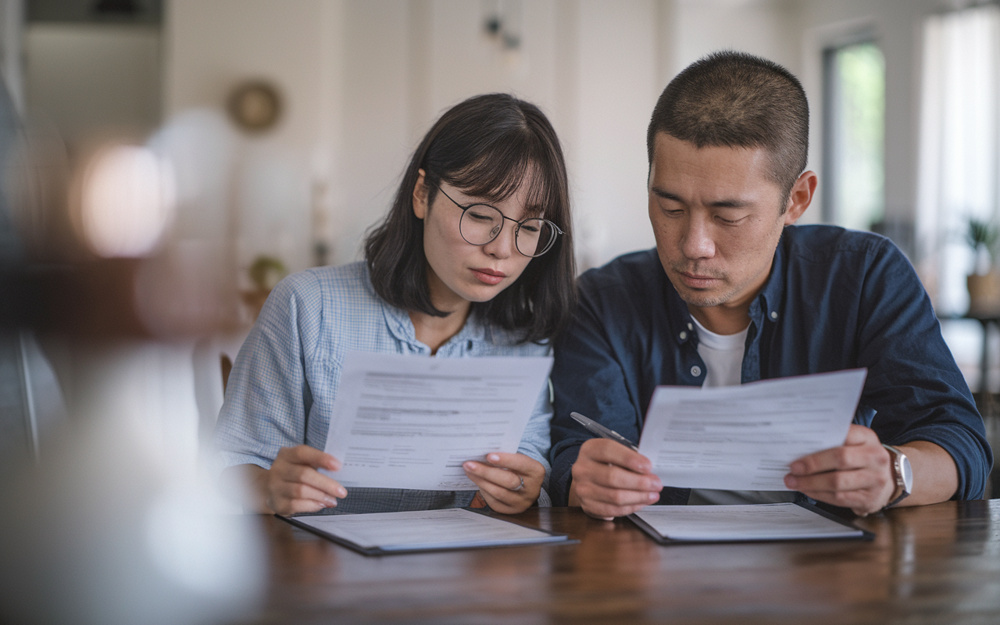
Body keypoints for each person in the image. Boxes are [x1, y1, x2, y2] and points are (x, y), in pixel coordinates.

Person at [549, 51, 992, 520]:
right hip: (656, 576)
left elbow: (960, 445)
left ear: (796, 199)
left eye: (728, 216)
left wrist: (893, 473)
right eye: (671, 208)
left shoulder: (864, 277)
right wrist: (586, 479)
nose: (694, 245)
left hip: (826, 573)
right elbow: (574, 456)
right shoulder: (601, 300)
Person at [215, 93, 575, 516]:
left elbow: (533, 470)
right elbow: (229, 468)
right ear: (422, 194)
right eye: (479, 215)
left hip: (462, 570)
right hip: (323, 572)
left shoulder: (524, 337)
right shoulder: (308, 307)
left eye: (529, 226)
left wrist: (523, 489)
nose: (502, 249)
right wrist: (268, 485)